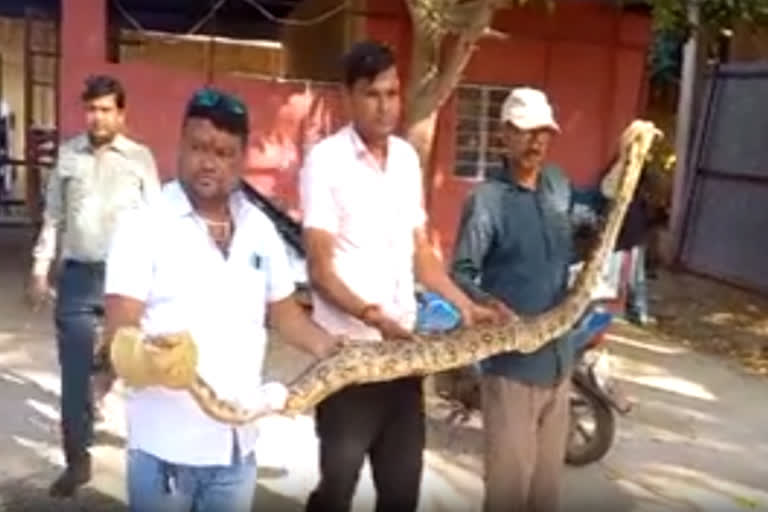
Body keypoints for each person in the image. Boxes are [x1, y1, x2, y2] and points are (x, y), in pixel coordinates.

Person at [98, 87, 341, 512]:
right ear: (180, 145)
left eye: (225, 152)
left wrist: (338, 351)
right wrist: (152, 360)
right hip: (164, 452)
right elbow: (121, 333)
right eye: (198, 147)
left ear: (242, 157)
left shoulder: (259, 229)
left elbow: (286, 317)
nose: (209, 162)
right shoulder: (143, 224)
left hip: (236, 452)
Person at [300, 40, 498, 512]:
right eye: (372, 94)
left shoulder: (408, 160)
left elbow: (422, 254)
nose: (385, 105)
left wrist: (466, 306)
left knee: (401, 491)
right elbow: (320, 270)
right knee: (337, 488)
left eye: (392, 93)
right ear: (347, 97)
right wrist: (373, 317)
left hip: (404, 358)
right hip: (349, 357)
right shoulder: (325, 162)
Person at [26, 75, 160, 498]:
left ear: (121, 114)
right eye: (92, 109)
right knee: (72, 373)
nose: (97, 117)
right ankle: (76, 462)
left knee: (129, 363)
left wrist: (160, 278)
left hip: (127, 281)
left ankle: (102, 390)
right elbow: (53, 217)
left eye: (106, 109)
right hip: (79, 277)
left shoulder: (140, 159)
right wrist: (39, 267)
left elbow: (157, 223)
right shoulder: (68, 156)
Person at [450, 86, 582, 512]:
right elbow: (462, 272)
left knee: (546, 496)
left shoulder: (558, 187)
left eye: (544, 132)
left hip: (559, 365)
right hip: (511, 369)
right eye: (526, 132)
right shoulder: (487, 201)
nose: (537, 142)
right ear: (505, 136)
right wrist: (488, 305)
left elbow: (585, 230)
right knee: (507, 494)